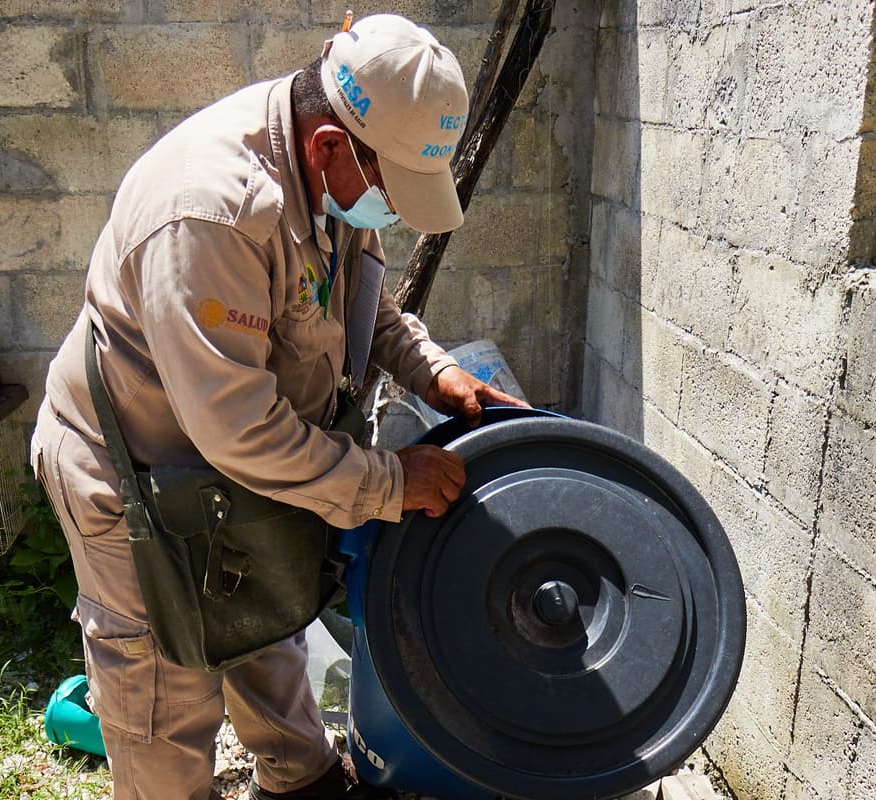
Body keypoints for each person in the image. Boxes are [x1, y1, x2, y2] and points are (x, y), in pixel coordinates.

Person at [30, 12, 525, 800]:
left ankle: (301, 780)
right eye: (390, 193)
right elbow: (241, 431)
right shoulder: (210, 212)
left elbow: (362, 297)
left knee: (263, 609)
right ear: (329, 144)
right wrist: (392, 483)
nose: (390, 214)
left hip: (230, 463)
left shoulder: (325, 174)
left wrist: (432, 372)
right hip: (131, 464)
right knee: (166, 682)